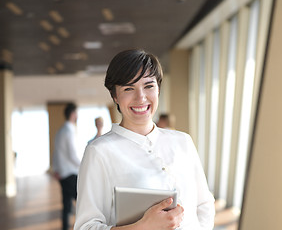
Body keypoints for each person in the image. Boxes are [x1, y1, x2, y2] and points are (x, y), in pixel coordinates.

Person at [74, 49, 215, 230]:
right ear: (115, 96)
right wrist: (143, 226)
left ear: (158, 89)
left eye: (149, 86)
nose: (141, 97)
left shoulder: (183, 142)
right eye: (128, 88)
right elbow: (85, 227)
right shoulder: (100, 151)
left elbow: (204, 204)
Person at [52, 102, 81, 230]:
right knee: (82, 203)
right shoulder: (69, 131)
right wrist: (83, 166)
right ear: (73, 114)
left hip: (63, 174)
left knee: (67, 206)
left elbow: (56, 152)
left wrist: (56, 169)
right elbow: (72, 154)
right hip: (71, 173)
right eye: (76, 112)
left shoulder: (60, 131)